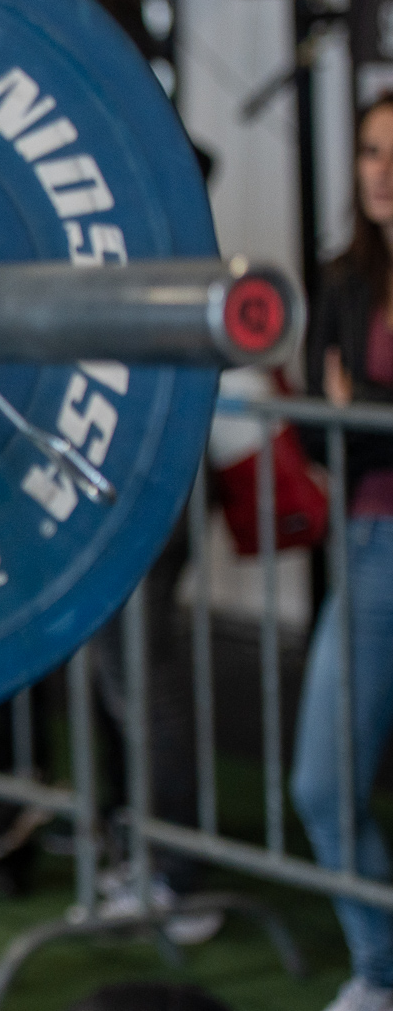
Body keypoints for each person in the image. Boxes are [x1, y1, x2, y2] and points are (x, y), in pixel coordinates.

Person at [294, 93, 393, 1011]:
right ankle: (382, 968)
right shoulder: (340, 277)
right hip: (370, 543)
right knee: (321, 779)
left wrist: (357, 398)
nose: (381, 169)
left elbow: (346, 410)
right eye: (368, 149)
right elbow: (324, 435)